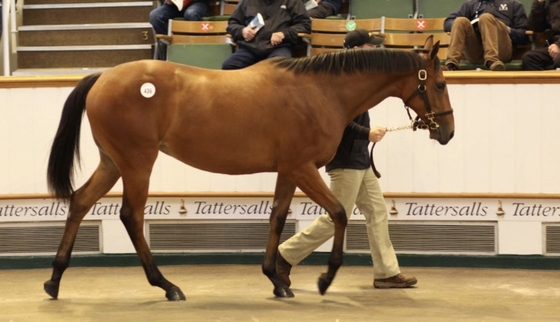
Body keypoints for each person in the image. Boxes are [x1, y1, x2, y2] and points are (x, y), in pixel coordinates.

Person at [276, 28, 417, 290]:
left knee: (377, 213)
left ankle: (386, 272)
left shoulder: (357, 78)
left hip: (360, 161)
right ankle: (283, 256)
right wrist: (368, 133)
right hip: (345, 160)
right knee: (334, 219)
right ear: (355, 50)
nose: (375, 51)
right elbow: (337, 121)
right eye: (369, 46)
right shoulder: (339, 80)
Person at [221, 0, 311, 70]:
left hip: (278, 47)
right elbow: (232, 24)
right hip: (250, 48)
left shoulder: (293, 1)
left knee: (280, 69)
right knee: (229, 65)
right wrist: (242, 30)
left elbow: (305, 24)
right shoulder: (247, 1)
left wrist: (284, 34)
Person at [443, 0, 529, 71]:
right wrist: (471, 26)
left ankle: (492, 61)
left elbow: (523, 36)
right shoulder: (470, 5)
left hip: (501, 51)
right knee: (460, 21)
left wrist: (505, 29)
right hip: (476, 52)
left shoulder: (514, 4)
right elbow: (448, 23)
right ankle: (451, 64)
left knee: (486, 18)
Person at [522, 0, 560, 70]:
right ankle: (544, 81)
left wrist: (558, 45)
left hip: (558, 45)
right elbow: (534, 27)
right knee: (529, 58)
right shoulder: (549, 3)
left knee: (558, 61)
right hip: (554, 44)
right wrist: (539, 3)